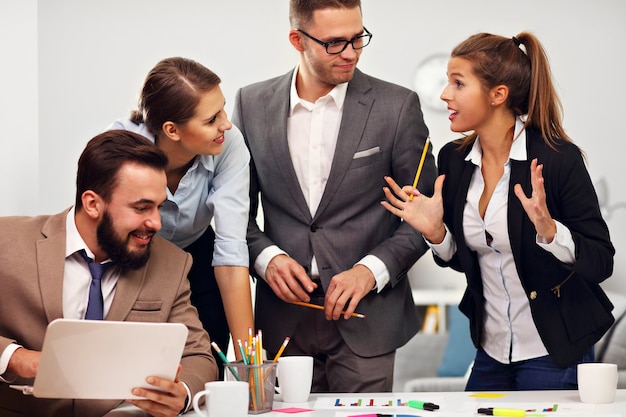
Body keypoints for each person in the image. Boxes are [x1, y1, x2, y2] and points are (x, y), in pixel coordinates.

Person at [382, 32, 615, 391]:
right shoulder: (454, 161)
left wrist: (550, 232)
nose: (445, 94)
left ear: (498, 94)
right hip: (491, 350)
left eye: (458, 83)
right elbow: (467, 260)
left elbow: (601, 261)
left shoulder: (556, 160)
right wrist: (437, 234)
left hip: (553, 348)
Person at [231, 0, 436, 393]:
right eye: (334, 43)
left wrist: (369, 271)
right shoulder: (249, 105)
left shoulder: (397, 107)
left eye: (358, 38)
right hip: (281, 321)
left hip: (369, 319)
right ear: (297, 39)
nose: (350, 53)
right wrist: (266, 258)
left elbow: (425, 218)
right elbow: (233, 213)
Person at [0, 130, 217, 417]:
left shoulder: (172, 264)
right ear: (92, 204)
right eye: (142, 208)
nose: (156, 223)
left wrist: (183, 393)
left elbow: (198, 357)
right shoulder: (7, 241)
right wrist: (15, 358)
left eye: (159, 207)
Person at [109, 57, 253, 377]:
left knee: (204, 365)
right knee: (137, 371)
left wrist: (249, 366)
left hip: (198, 254)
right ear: (172, 130)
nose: (226, 124)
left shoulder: (229, 144)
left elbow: (231, 253)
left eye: (223, 110)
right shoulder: (120, 146)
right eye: (211, 119)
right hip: (131, 257)